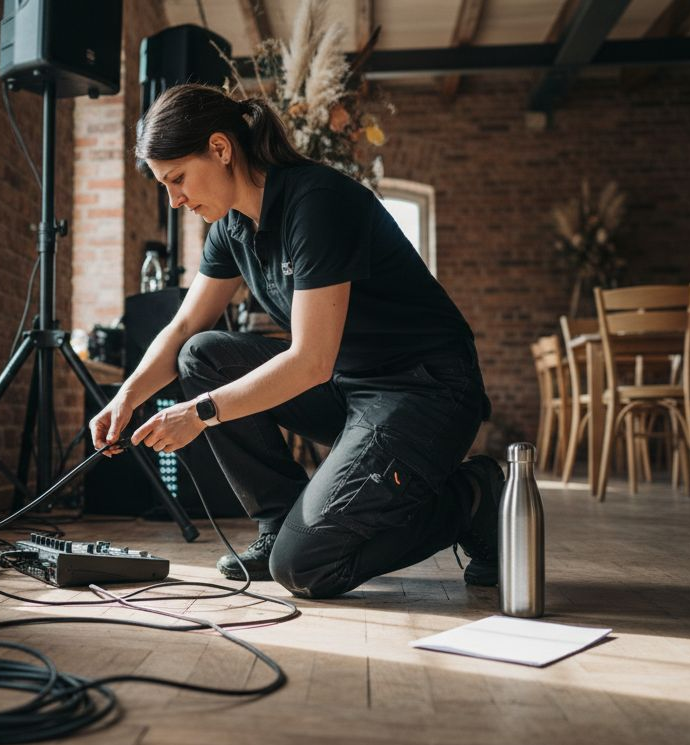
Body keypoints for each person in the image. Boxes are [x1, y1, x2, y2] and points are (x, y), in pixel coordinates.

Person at [89, 84, 503, 599]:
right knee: (203, 355)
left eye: (177, 179)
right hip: (348, 388)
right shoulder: (230, 229)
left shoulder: (316, 202)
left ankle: (474, 497)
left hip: (425, 390)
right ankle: (278, 520)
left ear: (220, 149)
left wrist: (197, 414)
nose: (174, 200)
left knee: (307, 566)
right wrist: (126, 397)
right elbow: (182, 329)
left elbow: (309, 360)